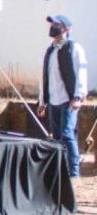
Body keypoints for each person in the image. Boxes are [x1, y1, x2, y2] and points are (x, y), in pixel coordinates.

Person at [38, 15, 87, 179]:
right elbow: (45, 76)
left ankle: (74, 172)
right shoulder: (49, 51)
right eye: (52, 24)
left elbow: (81, 72)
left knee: (67, 134)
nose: (53, 27)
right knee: (57, 137)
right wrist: (42, 100)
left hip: (68, 99)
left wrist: (78, 96)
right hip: (53, 100)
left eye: (57, 25)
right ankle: (61, 169)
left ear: (66, 29)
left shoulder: (73, 48)